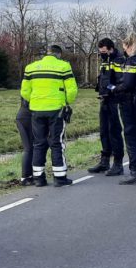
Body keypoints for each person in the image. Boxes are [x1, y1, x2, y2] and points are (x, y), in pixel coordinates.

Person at [20, 45, 78, 187]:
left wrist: (35, 101)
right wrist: (66, 102)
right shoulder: (63, 66)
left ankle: (39, 178)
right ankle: (59, 178)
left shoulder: (31, 67)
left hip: (36, 110)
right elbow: (72, 90)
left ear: (47, 54)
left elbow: (25, 91)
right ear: (59, 54)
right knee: (56, 142)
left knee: (38, 143)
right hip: (56, 110)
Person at [108, 33, 136, 185]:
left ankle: (134, 171)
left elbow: (127, 84)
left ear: (128, 46)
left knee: (131, 135)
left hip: (131, 103)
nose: (123, 49)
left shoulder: (131, 63)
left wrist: (114, 88)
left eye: (123, 46)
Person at [87, 38, 125, 177]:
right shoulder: (105, 60)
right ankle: (104, 161)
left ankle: (118, 163)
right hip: (104, 98)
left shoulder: (118, 60)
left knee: (114, 131)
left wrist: (111, 89)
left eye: (104, 51)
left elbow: (120, 81)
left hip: (114, 100)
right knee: (104, 131)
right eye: (100, 51)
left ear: (110, 49)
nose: (101, 54)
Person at [15, 97, 34, 186]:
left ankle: (30, 175)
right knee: (29, 148)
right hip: (26, 117)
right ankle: (25, 177)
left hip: (24, 116)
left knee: (32, 147)